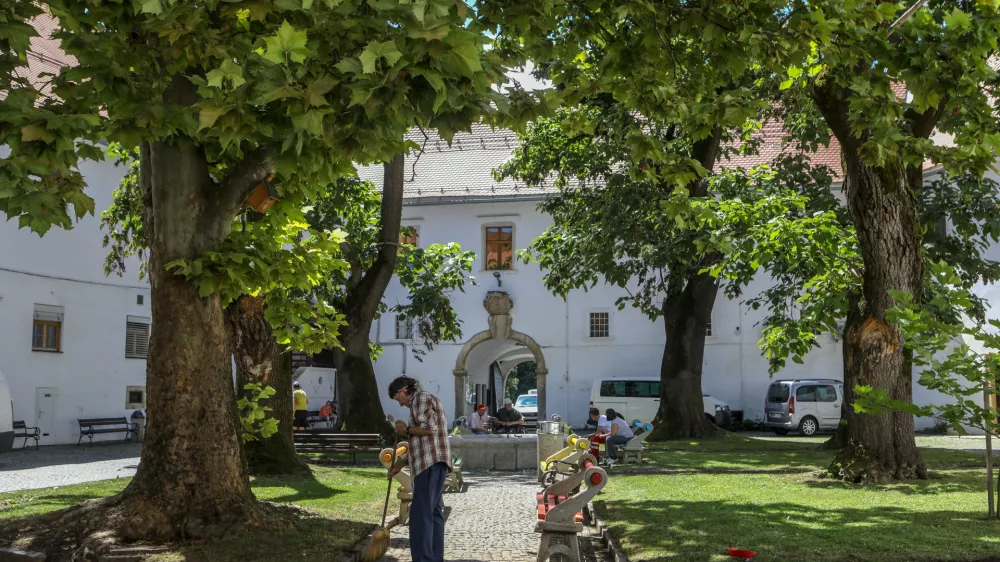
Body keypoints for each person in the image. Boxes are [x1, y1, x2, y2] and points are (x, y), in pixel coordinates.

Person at [387, 376, 451, 562]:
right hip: (434, 462)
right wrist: (400, 463)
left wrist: (404, 429)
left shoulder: (420, 399)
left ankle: (423, 558)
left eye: (397, 398)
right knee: (433, 512)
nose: (399, 404)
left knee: (420, 515)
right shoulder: (425, 400)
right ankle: (433, 558)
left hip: (429, 464)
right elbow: (422, 440)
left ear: (404, 390)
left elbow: (428, 429)